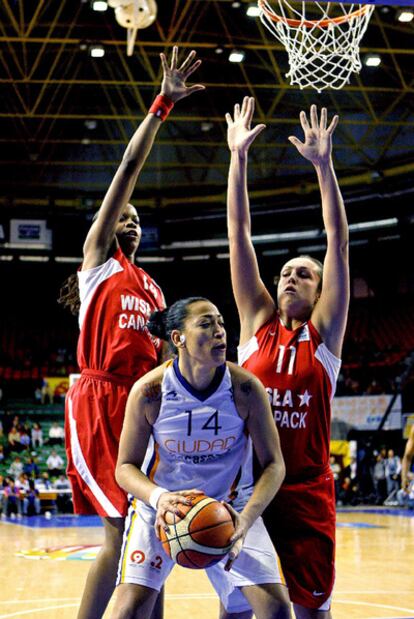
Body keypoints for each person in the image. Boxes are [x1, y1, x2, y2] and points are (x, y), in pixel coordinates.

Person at [57, 47, 205, 619]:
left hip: (143, 404)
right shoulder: (98, 262)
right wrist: (163, 103)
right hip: (99, 398)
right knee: (121, 532)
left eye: (138, 218)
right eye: (123, 216)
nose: (131, 220)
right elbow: (126, 173)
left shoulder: (154, 288)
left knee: (157, 535)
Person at [225, 98, 349, 618]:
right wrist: (238, 159)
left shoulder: (324, 337)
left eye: (304, 272)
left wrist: (324, 168)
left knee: (311, 612)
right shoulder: (256, 327)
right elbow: (240, 235)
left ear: (321, 291)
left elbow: (338, 241)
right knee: (238, 609)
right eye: (285, 273)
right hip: (248, 487)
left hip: (306, 492)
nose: (291, 276)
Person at [110, 296, 290, 619]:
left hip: (230, 509)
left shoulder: (246, 388)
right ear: (177, 338)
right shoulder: (149, 392)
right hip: (162, 509)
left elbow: (275, 465)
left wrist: (245, 520)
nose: (220, 331)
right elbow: (124, 468)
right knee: (127, 611)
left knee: (274, 608)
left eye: (221, 322)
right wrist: (159, 498)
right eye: (206, 324)